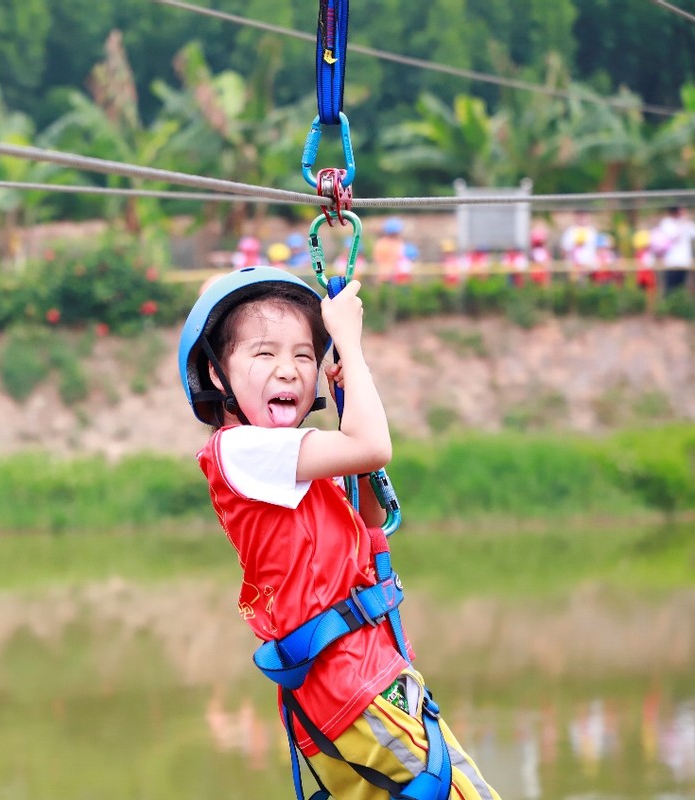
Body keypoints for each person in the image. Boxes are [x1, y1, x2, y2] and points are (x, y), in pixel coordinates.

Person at [178, 267, 500, 800]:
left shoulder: (295, 463)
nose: (288, 370)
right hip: (352, 682)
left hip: (352, 681)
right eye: (264, 353)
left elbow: (369, 519)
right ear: (217, 374)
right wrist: (349, 341)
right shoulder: (240, 449)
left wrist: (352, 403)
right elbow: (374, 446)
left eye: (304, 355)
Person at [652, 206, 694, 294]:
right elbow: (674, 236)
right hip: (671, 262)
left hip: (684, 262)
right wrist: (683, 223)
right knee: (670, 288)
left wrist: (687, 221)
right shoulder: (667, 223)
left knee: (681, 287)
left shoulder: (686, 223)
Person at [559, 211, 599, 283]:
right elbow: (564, 249)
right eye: (580, 216)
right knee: (574, 284)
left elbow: (598, 249)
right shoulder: (570, 231)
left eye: (584, 216)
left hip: (590, 266)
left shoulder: (592, 231)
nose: (582, 218)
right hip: (573, 266)